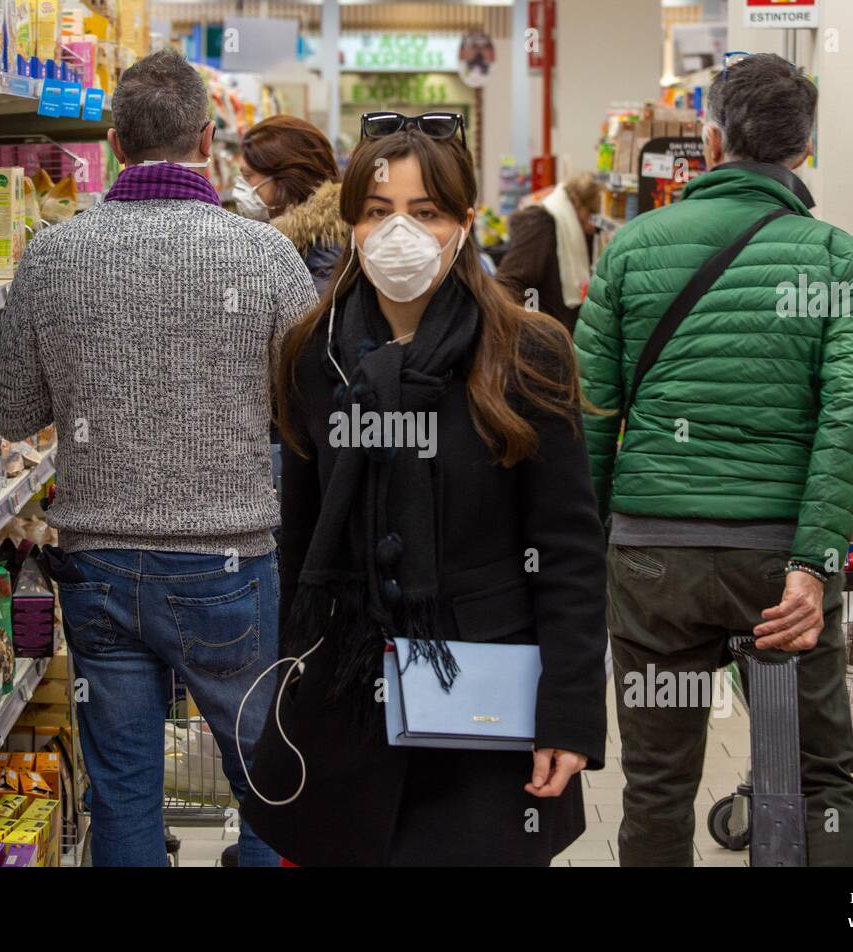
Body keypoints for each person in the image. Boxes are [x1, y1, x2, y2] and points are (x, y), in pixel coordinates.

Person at [0, 47, 319, 867]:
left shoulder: (53, 256)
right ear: (208, 138)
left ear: (114, 140)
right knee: (266, 781)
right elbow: (313, 406)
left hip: (98, 564)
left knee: (123, 787)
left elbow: (14, 411)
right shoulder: (265, 256)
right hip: (228, 566)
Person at [243, 120, 609, 866]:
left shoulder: (526, 353)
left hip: (484, 699)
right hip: (346, 697)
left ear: (465, 224)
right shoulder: (313, 355)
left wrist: (568, 715)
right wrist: (291, 686)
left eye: (427, 211)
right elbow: (301, 537)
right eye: (379, 212)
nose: (400, 232)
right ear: (349, 223)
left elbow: (569, 553)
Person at [574, 53, 853, 867]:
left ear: (709, 140)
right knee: (818, 781)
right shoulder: (839, 261)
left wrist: (599, 546)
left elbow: (592, 420)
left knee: (657, 785)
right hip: (779, 567)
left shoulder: (631, 250)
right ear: (804, 151)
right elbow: (846, 423)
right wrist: (815, 564)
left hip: (653, 566)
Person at [236, 115, 347, 294]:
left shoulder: (320, 260)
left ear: (287, 180)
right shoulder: (307, 240)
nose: (240, 185)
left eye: (248, 176)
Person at [496, 174, 603, 336]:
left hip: (555, 332)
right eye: (592, 217)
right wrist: (533, 325)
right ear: (579, 206)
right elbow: (509, 282)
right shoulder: (543, 223)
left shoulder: (575, 229)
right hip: (539, 336)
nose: (593, 227)